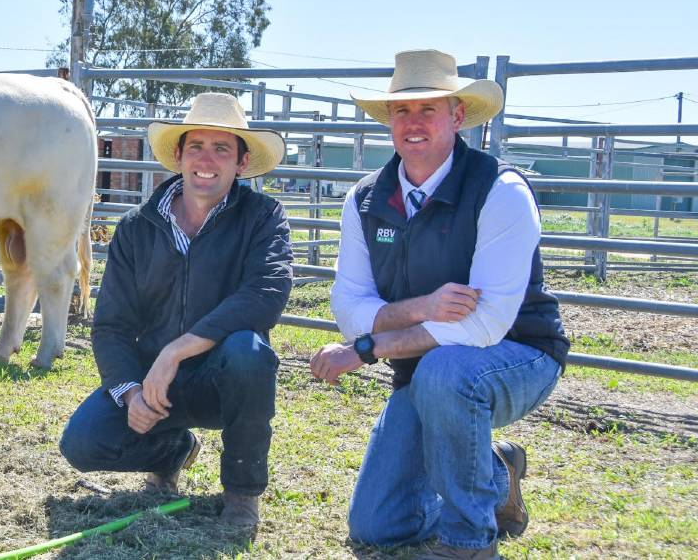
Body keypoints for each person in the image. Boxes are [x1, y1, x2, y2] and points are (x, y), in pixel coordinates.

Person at [311, 49, 569, 559]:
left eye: (428, 109)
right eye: (401, 110)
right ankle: (494, 470)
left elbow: (488, 324)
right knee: (377, 527)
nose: (413, 122)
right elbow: (348, 306)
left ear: (456, 116)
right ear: (388, 120)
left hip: (519, 353)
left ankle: (469, 542)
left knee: (446, 373)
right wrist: (423, 306)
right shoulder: (364, 199)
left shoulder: (500, 190)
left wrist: (365, 349)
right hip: (423, 369)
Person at [58, 92, 293, 530]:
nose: (207, 159)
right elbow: (112, 325)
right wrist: (130, 393)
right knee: (82, 443)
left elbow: (266, 292)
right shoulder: (136, 227)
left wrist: (176, 352)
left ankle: (241, 495)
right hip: (153, 385)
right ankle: (174, 451)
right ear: (179, 157)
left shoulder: (263, 216)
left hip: (224, 378)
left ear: (241, 163)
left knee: (249, 351)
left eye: (222, 148)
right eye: (196, 147)